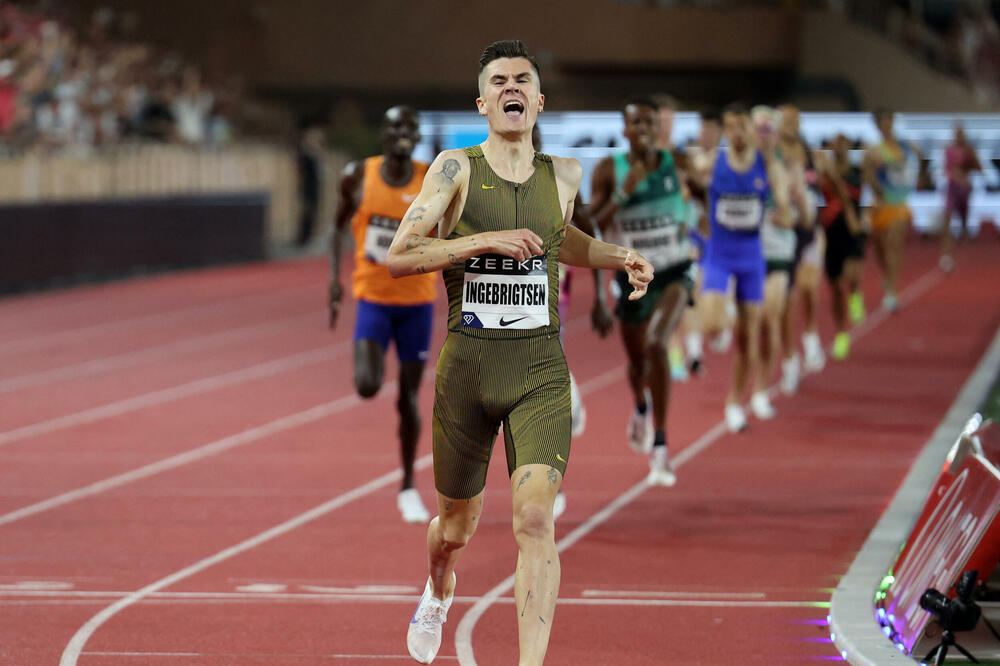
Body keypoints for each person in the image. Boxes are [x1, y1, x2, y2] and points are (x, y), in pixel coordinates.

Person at [386, 40, 653, 665]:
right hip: (469, 373)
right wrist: (483, 242)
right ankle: (437, 586)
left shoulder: (563, 175)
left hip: (539, 371)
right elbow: (400, 255)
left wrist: (618, 256)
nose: (512, 88)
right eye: (499, 80)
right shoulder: (454, 169)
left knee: (535, 521)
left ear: (538, 99)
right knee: (455, 531)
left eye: (523, 79)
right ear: (483, 102)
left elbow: (560, 242)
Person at [328, 105, 435, 525]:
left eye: (409, 127)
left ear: (417, 134)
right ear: (384, 134)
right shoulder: (358, 175)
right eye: (394, 127)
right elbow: (337, 226)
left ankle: (408, 484)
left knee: (408, 398)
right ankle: (407, 481)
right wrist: (334, 280)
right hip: (372, 297)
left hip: (416, 304)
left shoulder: (431, 179)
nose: (402, 134)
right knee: (368, 385)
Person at [590, 95, 695, 485]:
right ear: (626, 131)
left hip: (674, 271)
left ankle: (662, 446)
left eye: (652, 123)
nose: (646, 130)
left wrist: (700, 211)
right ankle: (640, 407)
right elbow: (592, 227)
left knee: (656, 343)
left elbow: (702, 193)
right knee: (637, 364)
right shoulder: (609, 170)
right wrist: (622, 194)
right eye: (638, 124)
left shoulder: (677, 163)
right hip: (632, 277)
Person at [698, 103, 792, 433]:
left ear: (751, 130)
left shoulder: (767, 165)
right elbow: (690, 181)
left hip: (752, 257)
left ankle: (735, 403)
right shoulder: (713, 161)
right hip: (720, 255)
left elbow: (785, 206)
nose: (736, 134)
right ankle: (723, 314)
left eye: (741, 127)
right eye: (730, 127)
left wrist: (783, 212)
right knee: (710, 326)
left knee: (749, 338)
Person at [776, 103, 824, 393]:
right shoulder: (771, 157)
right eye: (785, 120)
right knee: (786, 301)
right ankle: (790, 360)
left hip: (809, 231)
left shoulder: (811, 154)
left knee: (809, 288)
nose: (791, 124)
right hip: (784, 234)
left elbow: (823, 190)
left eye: (795, 119)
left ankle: (811, 334)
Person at [863, 108, 922, 313]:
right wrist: (877, 189)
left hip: (899, 204)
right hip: (881, 204)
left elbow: (919, 161)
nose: (887, 126)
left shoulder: (905, 147)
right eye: (883, 123)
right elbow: (867, 175)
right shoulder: (873, 152)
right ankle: (887, 276)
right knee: (880, 247)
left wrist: (915, 176)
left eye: (889, 122)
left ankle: (892, 291)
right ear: (878, 126)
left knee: (893, 245)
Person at [817, 133, 866, 360]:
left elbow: (865, 199)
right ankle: (841, 333)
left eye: (842, 145)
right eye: (834, 146)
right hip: (831, 233)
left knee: (851, 275)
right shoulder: (826, 174)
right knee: (836, 287)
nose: (838, 149)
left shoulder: (857, 174)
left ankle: (855, 295)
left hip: (852, 231)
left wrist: (865, 218)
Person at [939, 122, 981, 272]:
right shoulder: (948, 150)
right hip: (951, 189)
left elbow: (979, 168)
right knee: (947, 219)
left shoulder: (969, 151)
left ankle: (964, 253)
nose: (958, 135)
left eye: (961, 133)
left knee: (963, 223)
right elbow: (946, 169)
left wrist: (969, 164)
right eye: (956, 133)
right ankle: (946, 255)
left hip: (964, 190)